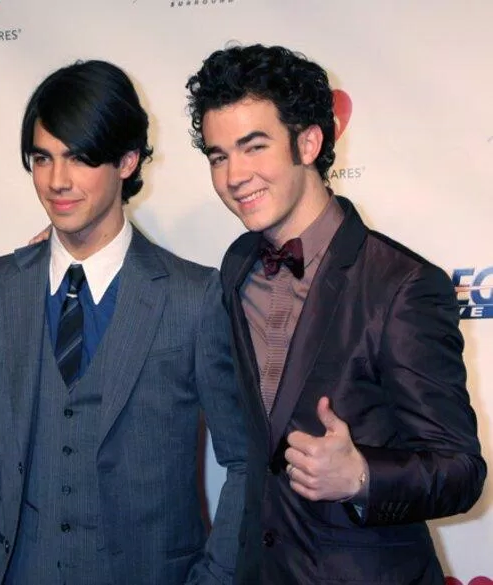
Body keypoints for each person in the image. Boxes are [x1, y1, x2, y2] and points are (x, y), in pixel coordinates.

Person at [185, 43, 487, 584]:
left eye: (254, 147)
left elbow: (462, 471)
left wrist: (362, 476)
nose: (234, 176)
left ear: (309, 141)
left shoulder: (402, 287)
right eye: (218, 155)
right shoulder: (235, 267)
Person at [0, 60, 246, 585]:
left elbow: (244, 462)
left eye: (80, 158)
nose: (57, 181)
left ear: (127, 161)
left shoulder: (192, 297)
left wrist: (215, 579)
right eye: (42, 158)